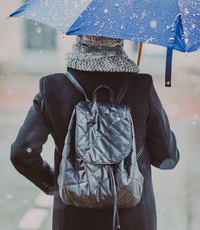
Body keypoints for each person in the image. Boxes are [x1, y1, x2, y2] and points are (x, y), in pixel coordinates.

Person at [10, 35, 179, 230]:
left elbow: (21, 152)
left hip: (73, 216)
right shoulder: (141, 86)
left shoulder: (53, 88)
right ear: (120, 39)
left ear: (81, 36)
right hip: (131, 217)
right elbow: (167, 158)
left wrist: (56, 184)